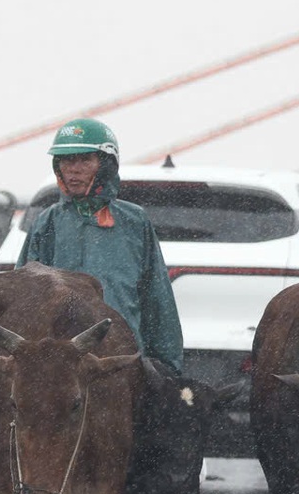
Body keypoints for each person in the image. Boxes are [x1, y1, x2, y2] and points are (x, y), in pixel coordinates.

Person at [18, 118, 184, 373]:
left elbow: (156, 301)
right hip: (62, 369)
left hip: (121, 362)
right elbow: (23, 301)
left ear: (106, 164)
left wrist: (169, 369)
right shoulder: (47, 222)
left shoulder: (134, 222)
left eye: (84, 160)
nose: (73, 169)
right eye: (66, 160)